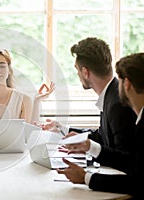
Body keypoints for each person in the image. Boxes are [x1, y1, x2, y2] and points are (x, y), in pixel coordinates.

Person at [57, 52, 144, 199]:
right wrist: (89, 146)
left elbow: (136, 180)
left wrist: (86, 178)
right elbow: (132, 162)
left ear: (127, 84)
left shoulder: (119, 107)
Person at [43, 37, 136, 158]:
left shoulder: (117, 104)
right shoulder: (111, 93)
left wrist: (89, 149)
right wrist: (63, 129)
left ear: (85, 72)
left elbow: (127, 159)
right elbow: (102, 136)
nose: (78, 74)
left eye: (77, 70)